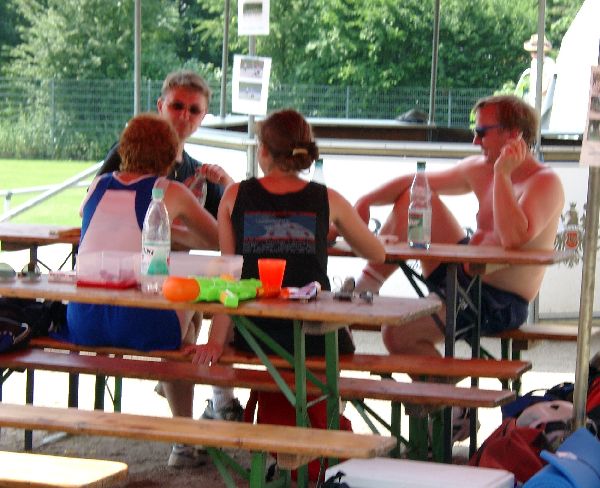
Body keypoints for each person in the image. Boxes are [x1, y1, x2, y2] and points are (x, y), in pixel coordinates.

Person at [353, 94, 564, 438]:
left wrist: (503, 175)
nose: (475, 141)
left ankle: (452, 406)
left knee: (397, 333)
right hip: (461, 273)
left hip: (498, 299)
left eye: (482, 132)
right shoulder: (478, 167)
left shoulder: (544, 181)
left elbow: (513, 238)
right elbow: (415, 182)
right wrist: (366, 201)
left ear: (513, 134)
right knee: (416, 197)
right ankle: (364, 290)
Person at [191, 109, 385, 417]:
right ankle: (325, 416)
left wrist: (215, 341)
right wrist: (332, 231)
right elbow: (376, 254)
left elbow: (229, 276)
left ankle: (223, 403)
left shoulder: (233, 195)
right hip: (314, 334)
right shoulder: (327, 198)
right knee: (334, 343)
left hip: (254, 333)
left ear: (263, 151)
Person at [55, 113, 219, 468]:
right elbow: (219, 239)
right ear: (172, 154)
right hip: (143, 324)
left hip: (83, 320)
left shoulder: (98, 186)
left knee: (185, 322)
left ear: (124, 149)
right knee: (191, 304)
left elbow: (95, 220)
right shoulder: (170, 190)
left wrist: (168, 230)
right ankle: (183, 432)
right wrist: (179, 225)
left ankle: (178, 408)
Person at [97, 70, 233, 224]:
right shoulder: (131, 151)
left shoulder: (202, 177)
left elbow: (235, 225)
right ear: (160, 106)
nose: (185, 115)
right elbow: (93, 207)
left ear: (203, 116)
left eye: (194, 110)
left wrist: (228, 184)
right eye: (177, 106)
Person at [520, 34, 556, 114]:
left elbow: (546, 87)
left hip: (546, 105)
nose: (533, 54)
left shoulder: (549, 64)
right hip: (534, 102)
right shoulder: (534, 63)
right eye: (532, 52)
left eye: (535, 52)